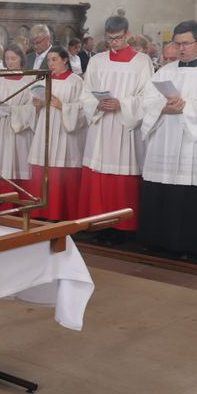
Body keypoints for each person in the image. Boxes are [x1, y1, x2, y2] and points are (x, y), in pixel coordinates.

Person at [138, 21, 197, 260]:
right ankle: (158, 241)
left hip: (194, 142)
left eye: (185, 43)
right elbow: (147, 101)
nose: (181, 49)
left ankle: (192, 246)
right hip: (165, 138)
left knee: (191, 194)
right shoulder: (165, 71)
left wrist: (185, 107)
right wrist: (163, 109)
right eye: (176, 44)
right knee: (162, 190)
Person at [77, 13, 152, 239]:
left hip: (124, 127)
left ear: (128, 34)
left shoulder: (142, 62)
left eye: (118, 38)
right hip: (101, 126)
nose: (114, 43)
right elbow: (85, 93)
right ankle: (96, 224)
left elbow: (148, 97)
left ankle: (123, 229)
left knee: (123, 177)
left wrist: (122, 104)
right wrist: (97, 105)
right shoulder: (97, 60)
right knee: (97, 174)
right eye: (110, 39)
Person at [25, 46, 87, 221]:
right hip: (45, 129)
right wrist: (36, 107)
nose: (50, 63)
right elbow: (34, 107)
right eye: (49, 60)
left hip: (64, 133)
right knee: (43, 168)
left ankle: (61, 215)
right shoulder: (44, 80)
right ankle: (40, 212)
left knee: (60, 174)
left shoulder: (76, 81)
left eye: (54, 59)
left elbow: (83, 109)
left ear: (65, 60)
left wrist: (63, 106)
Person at [0, 44, 35, 196]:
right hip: (2, 127)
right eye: (7, 59)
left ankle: (21, 199)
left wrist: (14, 111)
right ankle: (0, 201)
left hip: (20, 130)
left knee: (20, 161)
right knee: (1, 163)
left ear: (21, 59)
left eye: (13, 58)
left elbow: (33, 107)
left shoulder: (30, 79)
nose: (10, 62)